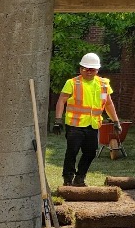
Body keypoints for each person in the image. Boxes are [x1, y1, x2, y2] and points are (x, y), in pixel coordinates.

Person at [52, 52, 123, 188]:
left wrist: (116, 121)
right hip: (75, 125)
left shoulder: (103, 84)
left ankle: (80, 178)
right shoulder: (72, 83)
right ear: (81, 69)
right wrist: (58, 120)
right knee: (72, 152)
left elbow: (108, 103)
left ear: (97, 70)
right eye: (86, 69)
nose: (89, 72)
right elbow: (61, 100)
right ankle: (68, 178)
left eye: (93, 69)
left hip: (93, 125)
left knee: (91, 152)